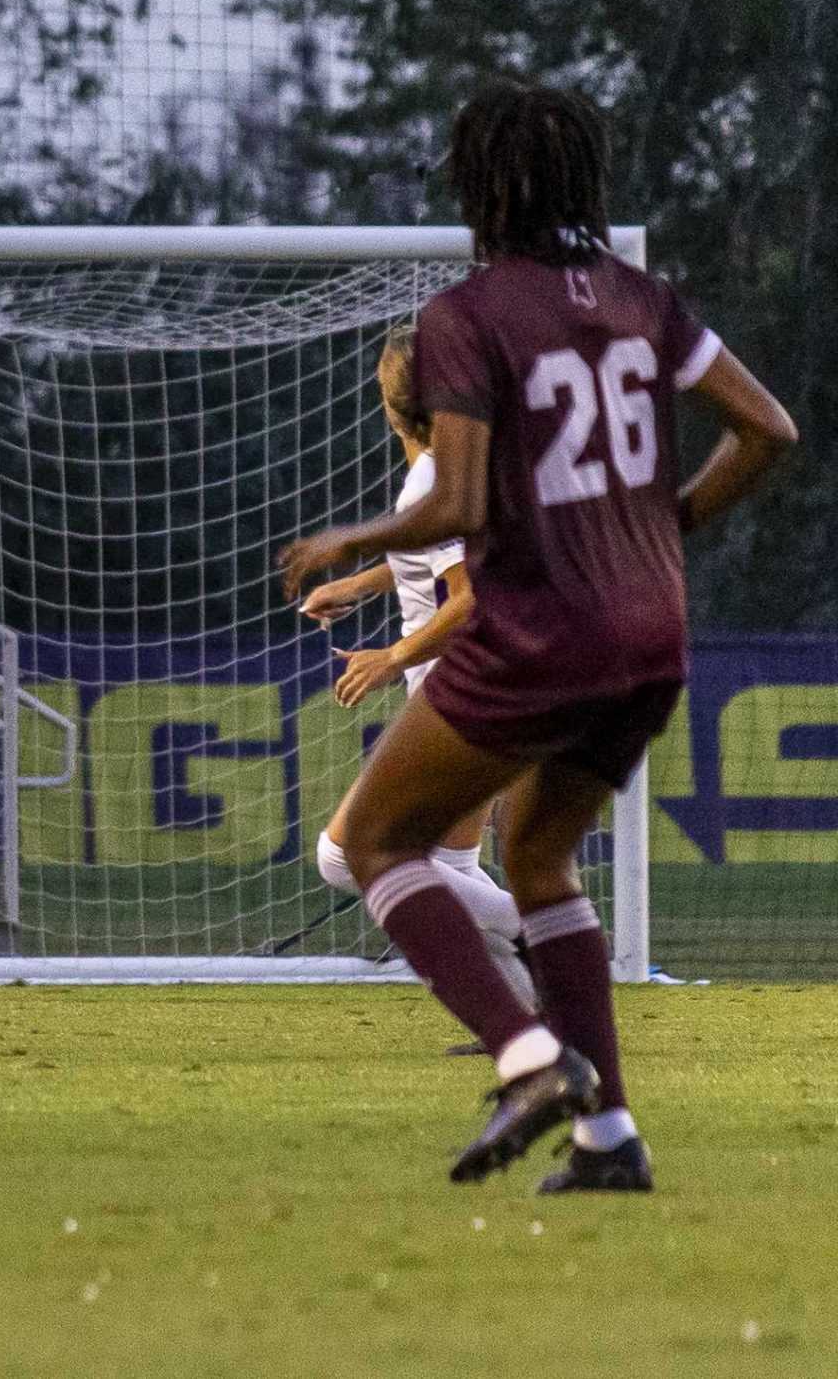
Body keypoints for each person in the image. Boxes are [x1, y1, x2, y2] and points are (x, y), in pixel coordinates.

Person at [280, 81, 797, 1190]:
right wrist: (662, 524)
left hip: (545, 627)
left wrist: (348, 541)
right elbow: (767, 428)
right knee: (540, 856)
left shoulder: (467, 317)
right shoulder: (641, 298)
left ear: (485, 186)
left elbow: (458, 501)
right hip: (651, 629)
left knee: (370, 843)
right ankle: (609, 1139)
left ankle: (527, 1060)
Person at [298, 326, 532, 1011]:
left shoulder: (429, 479)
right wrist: (361, 585)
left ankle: (539, 929)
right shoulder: (466, 464)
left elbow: (469, 597)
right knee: (453, 868)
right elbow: (440, 562)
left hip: (463, 693)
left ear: (393, 408)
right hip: (498, 683)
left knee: (345, 855)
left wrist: (390, 656)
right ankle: (535, 1021)